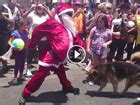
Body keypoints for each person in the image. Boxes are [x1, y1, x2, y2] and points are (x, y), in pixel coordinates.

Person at [18, 3, 86, 104]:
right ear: (61, 14)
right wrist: (32, 44)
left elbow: (76, 40)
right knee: (40, 75)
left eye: (70, 14)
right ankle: (25, 93)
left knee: (61, 72)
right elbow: (37, 30)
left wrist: (84, 49)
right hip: (50, 56)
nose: (70, 16)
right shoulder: (52, 23)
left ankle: (67, 86)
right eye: (67, 14)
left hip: (60, 58)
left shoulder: (68, 27)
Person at [86, 14, 112, 85]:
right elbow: (90, 38)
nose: (99, 24)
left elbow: (110, 40)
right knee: (95, 65)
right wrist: (88, 47)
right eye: (98, 22)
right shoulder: (94, 29)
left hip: (104, 51)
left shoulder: (108, 31)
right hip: (95, 50)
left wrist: (106, 43)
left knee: (101, 65)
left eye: (101, 22)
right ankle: (92, 78)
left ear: (105, 22)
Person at [8, 18, 28, 85]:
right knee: (17, 64)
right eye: (24, 25)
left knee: (22, 63)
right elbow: (9, 41)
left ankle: (21, 75)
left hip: (24, 50)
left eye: (26, 25)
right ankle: (15, 77)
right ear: (20, 25)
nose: (26, 27)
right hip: (17, 51)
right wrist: (12, 46)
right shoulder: (15, 33)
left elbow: (28, 40)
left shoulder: (26, 32)